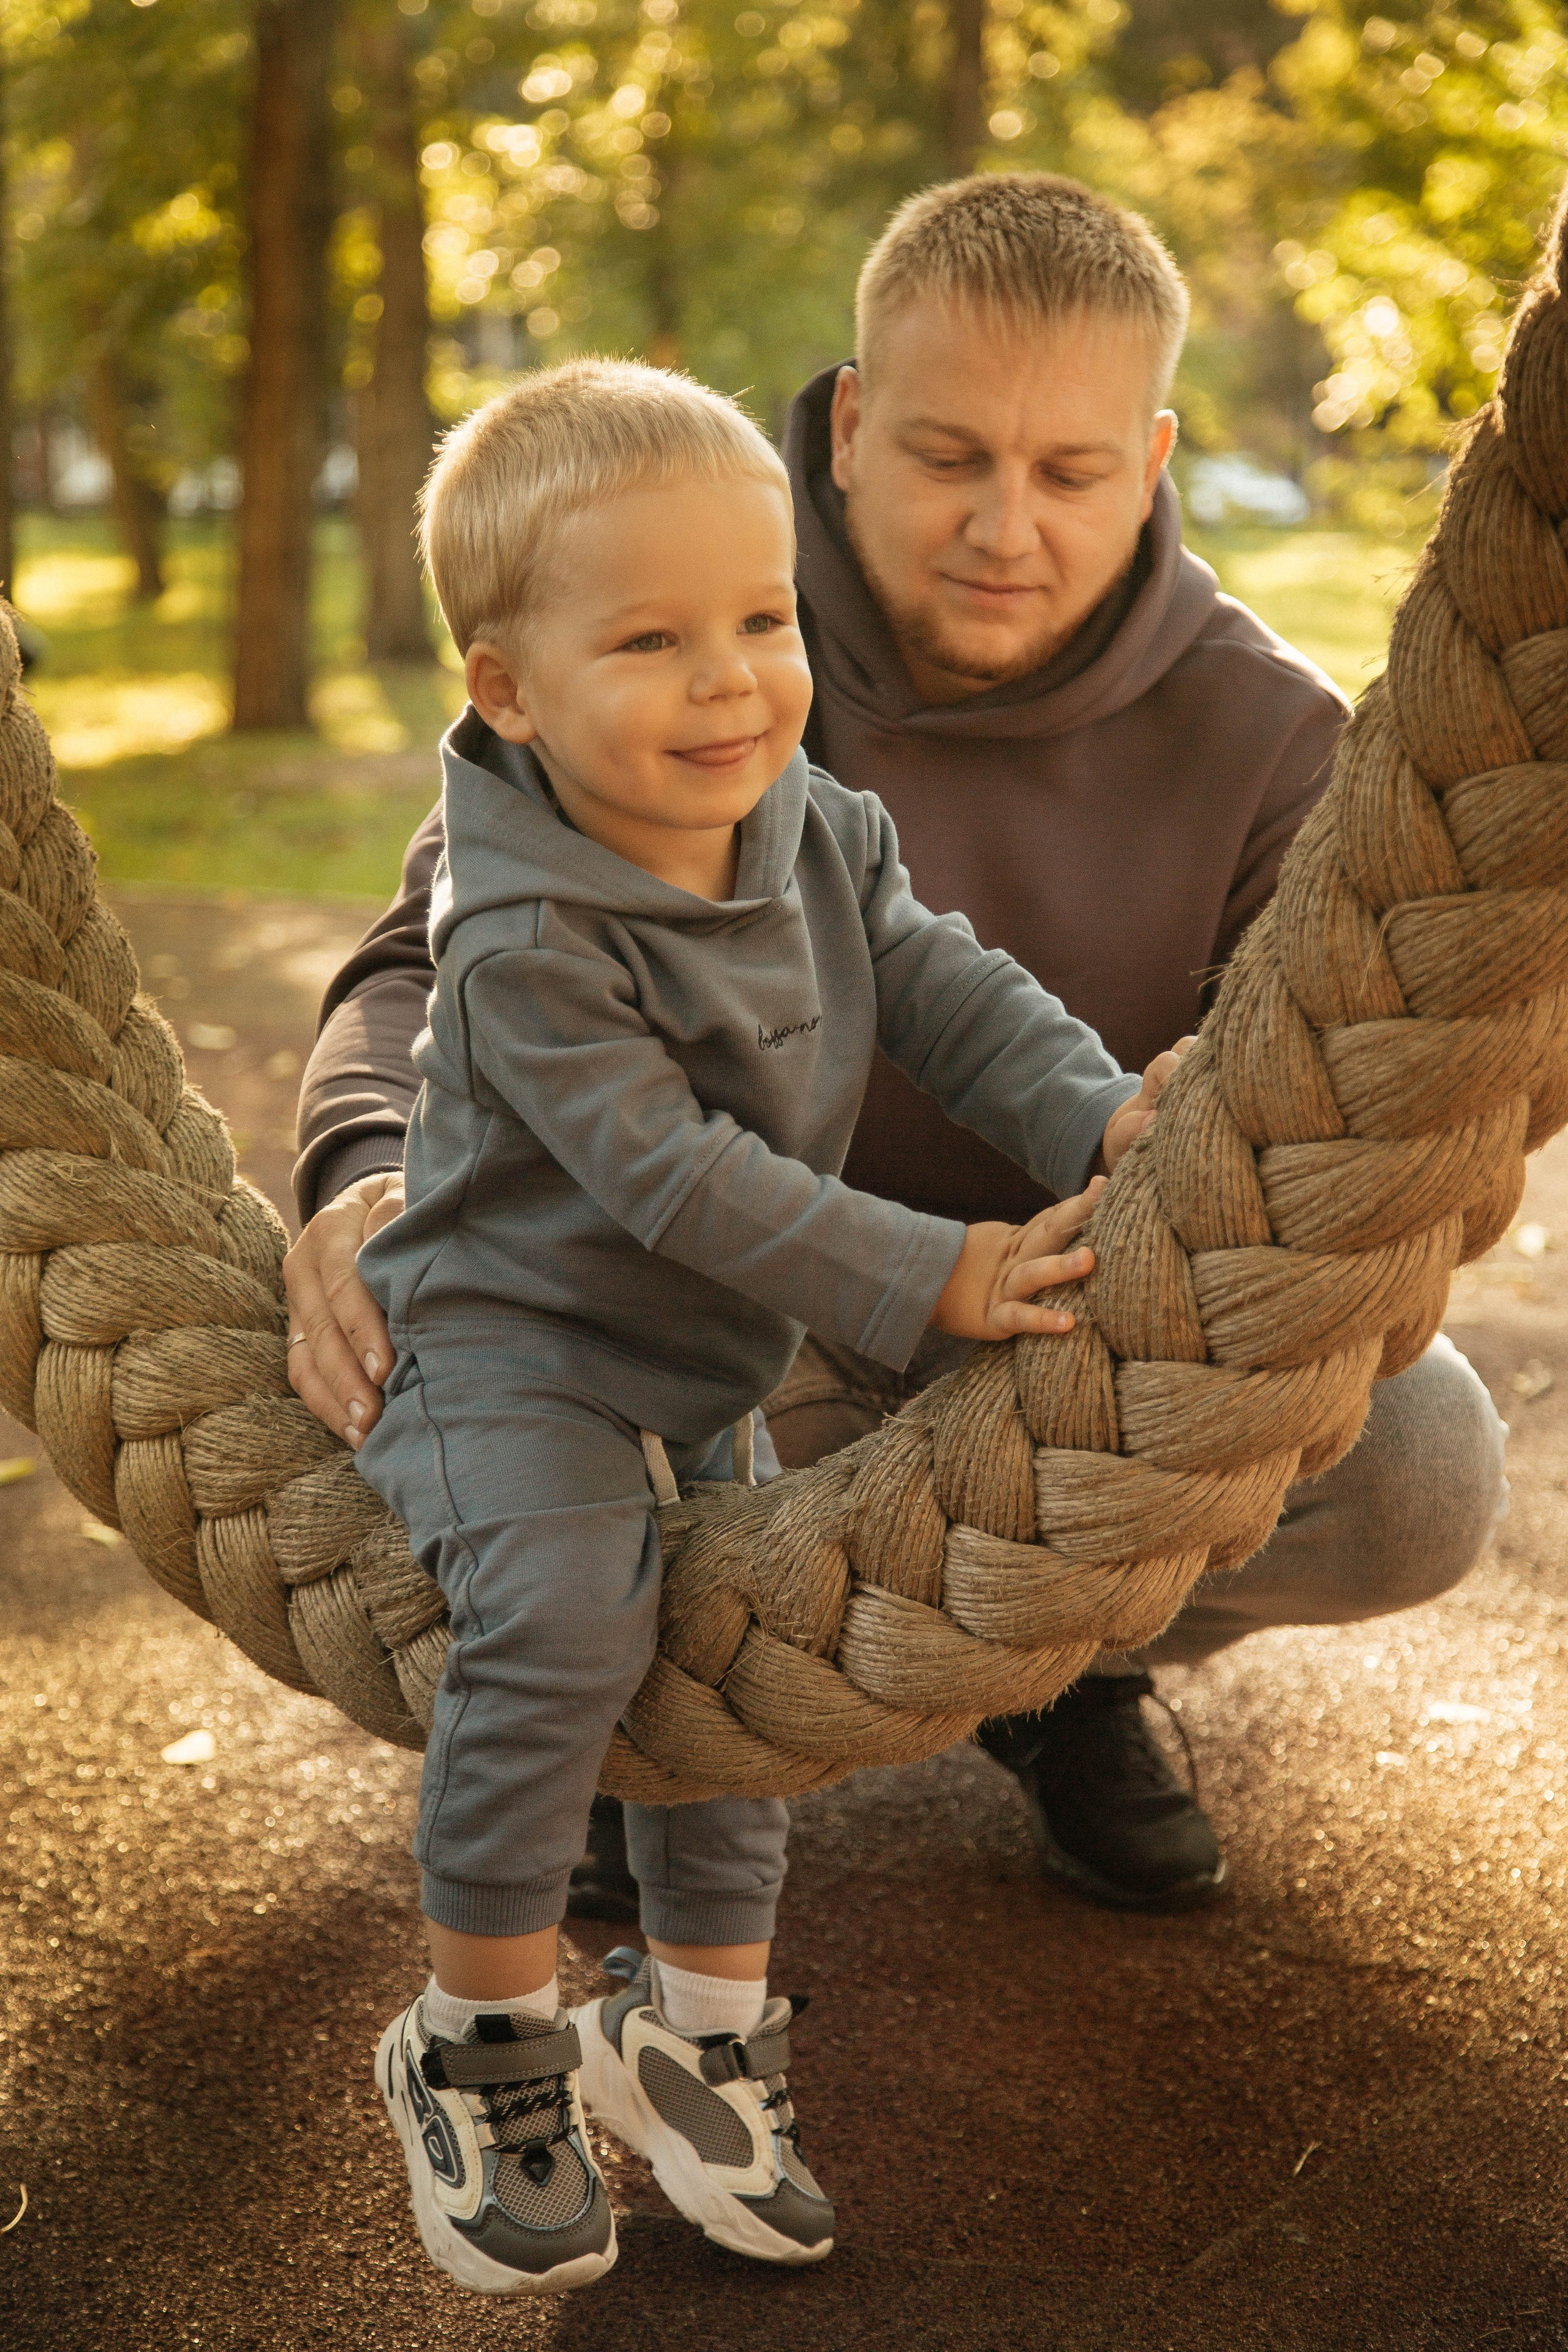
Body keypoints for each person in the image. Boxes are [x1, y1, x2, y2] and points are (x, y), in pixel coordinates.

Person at [285, 173, 1506, 1922]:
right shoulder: (678, 611)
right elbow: (439, 948)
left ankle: (1061, 1668)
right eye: (950, 456)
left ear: (1152, 462)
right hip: (719, 1310)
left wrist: (1183, 1134)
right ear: (850, 429)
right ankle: (621, 1711)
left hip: (1051, 1330)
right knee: (548, 1408)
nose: (1006, 526)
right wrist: (360, 1171)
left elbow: (1292, 1117)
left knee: (1419, 1460)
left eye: (1070, 471)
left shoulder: (1270, 740)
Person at [353, 356, 1182, 2295]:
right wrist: (936, 1271)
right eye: (652, 641)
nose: (732, 681)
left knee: (739, 1673)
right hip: (509, 1352)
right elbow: (675, 1180)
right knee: (569, 1622)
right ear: (509, 690)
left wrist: (1098, 1112)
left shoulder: (807, 824)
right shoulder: (529, 934)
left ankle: (697, 2036)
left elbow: (945, 989)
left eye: (762, 620)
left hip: (701, 1363)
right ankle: (480, 2037)